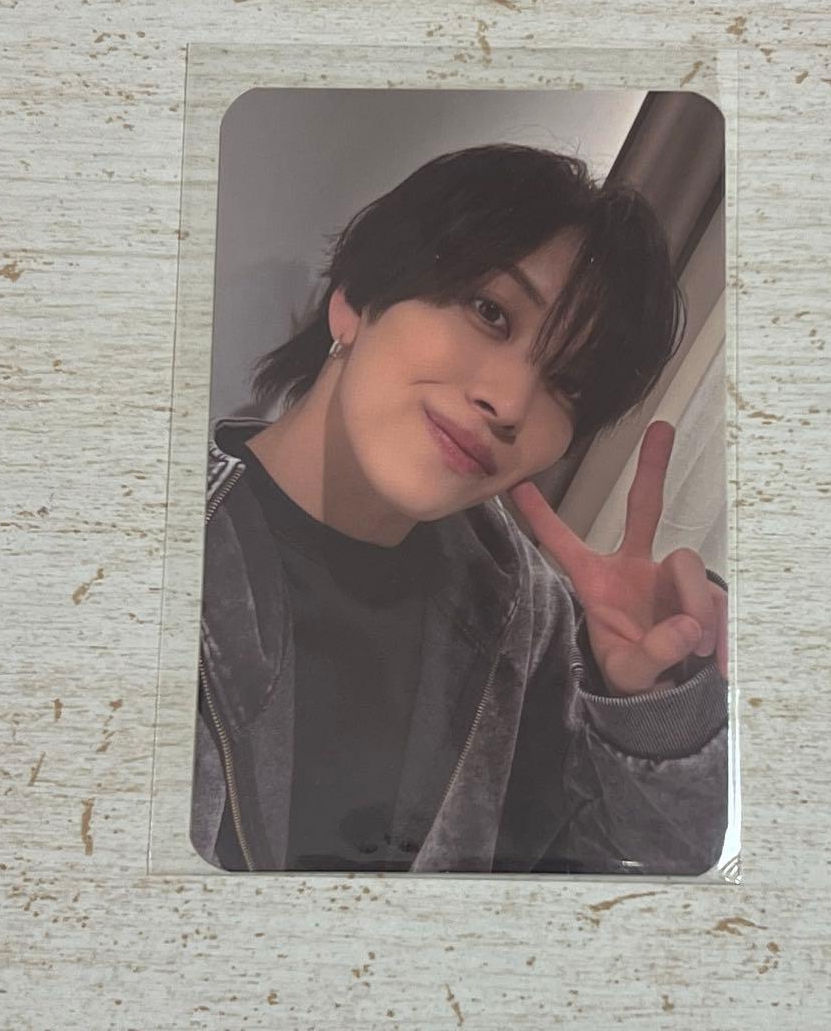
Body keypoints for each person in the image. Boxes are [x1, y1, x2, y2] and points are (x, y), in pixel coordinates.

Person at [191, 143, 729, 874]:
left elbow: (646, 865)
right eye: (491, 313)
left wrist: (651, 712)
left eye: (567, 385)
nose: (510, 404)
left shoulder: (527, 614)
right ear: (355, 299)